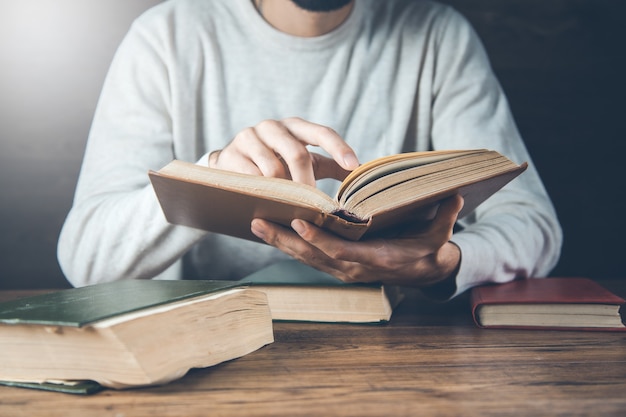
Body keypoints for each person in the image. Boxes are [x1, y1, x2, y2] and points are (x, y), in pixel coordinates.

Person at [57, 0, 562, 299]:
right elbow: (87, 260)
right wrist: (210, 178)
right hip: (211, 351)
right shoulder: (166, 37)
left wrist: (447, 261)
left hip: (399, 347)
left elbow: (533, 225)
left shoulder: (436, 35)